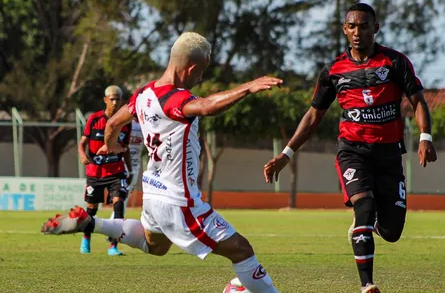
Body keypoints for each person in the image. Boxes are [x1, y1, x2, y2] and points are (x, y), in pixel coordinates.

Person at [42, 32, 282, 293]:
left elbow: (113, 123)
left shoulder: (144, 94)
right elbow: (207, 107)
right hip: (180, 201)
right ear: (191, 68)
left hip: (153, 194)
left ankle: (90, 223)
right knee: (243, 251)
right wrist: (248, 87)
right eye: (200, 72)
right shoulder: (176, 98)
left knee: (155, 245)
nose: (200, 78)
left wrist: (110, 145)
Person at [263, 3, 437, 293]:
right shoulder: (333, 70)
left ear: (375, 28)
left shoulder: (394, 63)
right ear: (345, 29)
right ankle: (367, 284)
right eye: (352, 26)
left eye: (364, 26)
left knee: (392, 232)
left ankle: (370, 225)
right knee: (364, 207)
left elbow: (418, 101)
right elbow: (313, 116)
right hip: (353, 151)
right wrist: (286, 154)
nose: (357, 32)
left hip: (390, 155)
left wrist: (425, 137)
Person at [77, 85, 132, 256]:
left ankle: (112, 246)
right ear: (105, 100)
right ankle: (86, 238)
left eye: (118, 99)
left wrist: (129, 169)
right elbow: (82, 143)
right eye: (112, 99)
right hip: (96, 172)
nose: (115, 102)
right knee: (92, 209)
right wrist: (82, 155)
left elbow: (126, 148)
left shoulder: (125, 123)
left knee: (119, 204)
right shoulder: (94, 119)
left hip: (116, 171)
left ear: (122, 101)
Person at [110, 120, 143, 219]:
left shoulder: (145, 122)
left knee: (125, 196)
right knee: (122, 195)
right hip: (123, 164)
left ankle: (116, 221)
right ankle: (116, 221)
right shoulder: (126, 124)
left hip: (135, 165)